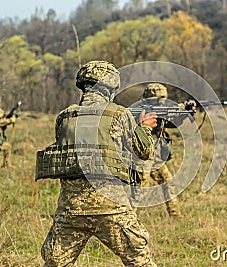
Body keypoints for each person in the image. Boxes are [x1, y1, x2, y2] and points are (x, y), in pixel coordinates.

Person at [39, 61, 158, 267]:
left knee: (55, 263)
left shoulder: (64, 117)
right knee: (140, 261)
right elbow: (145, 151)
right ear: (111, 87)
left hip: (71, 210)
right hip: (112, 208)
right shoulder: (120, 114)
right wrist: (146, 127)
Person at [138, 83, 195, 218]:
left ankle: (175, 214)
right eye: (159, 99)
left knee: (167, 181)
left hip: (155, 156)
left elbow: (171, 123)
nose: (162, 102)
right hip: (141, 156)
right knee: (139, 187)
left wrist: (185, 113)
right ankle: (128, 218)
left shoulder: (159, 112)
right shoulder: (139, 112)